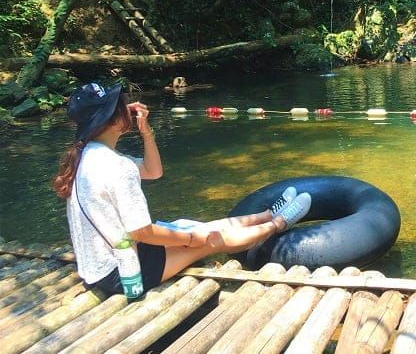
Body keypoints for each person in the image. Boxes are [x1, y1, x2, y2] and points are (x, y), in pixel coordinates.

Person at [52, 82, 312, 296]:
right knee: (209, 239)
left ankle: (268, 213)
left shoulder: (89, 154)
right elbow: (141, 231)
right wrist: (190, 240)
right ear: (113, 118)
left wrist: (147, 132)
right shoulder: (117, 166)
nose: (128, 106)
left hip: (104, 264)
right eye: (120, 105)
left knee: (197, 225)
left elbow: (154, 172)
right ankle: (279, 223)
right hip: (123, 273)